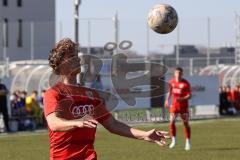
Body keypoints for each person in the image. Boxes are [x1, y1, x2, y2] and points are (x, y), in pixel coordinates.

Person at [44, 38, 169, 160]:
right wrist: (77, 122)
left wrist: (144, 135)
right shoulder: (53, 93)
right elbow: (53, 123)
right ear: (60, 63)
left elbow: (112, 124)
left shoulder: (90, 94)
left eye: (76, 55)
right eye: (71, 56)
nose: (77, 59)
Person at [164, 67, 191, 150]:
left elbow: (189, 95)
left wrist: (182, 99)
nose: (178, 74)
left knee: (185, 124)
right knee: (171, 122)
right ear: (174, 74)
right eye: (177, 73)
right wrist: (166, 100)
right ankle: (174, 141)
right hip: (174, 106)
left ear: (182, 74)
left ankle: (188, 142)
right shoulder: (171, 82)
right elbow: (170, 92)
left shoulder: (186, 83)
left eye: (180, 73)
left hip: (183, 107)